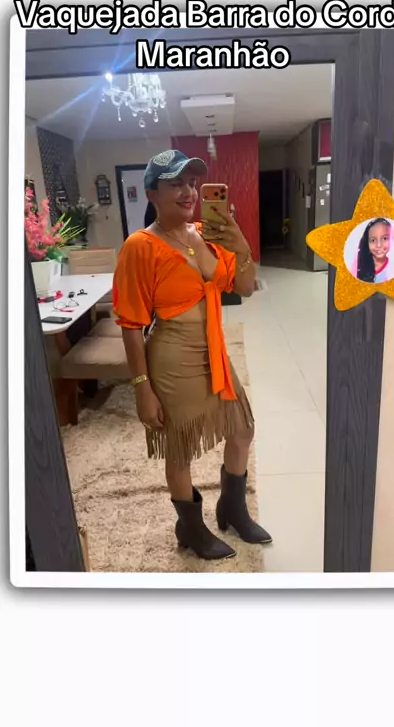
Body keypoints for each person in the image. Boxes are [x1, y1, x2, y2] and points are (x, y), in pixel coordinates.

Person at [113, 149, 271, 561]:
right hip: (172, 357)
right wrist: (141, 388)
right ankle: (191, 527)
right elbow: (130, 324)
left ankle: (232, 508)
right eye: (176, 184)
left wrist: (239, 242)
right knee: (180, 449)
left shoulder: (207, 233)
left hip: (213, 350)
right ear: (152, 193)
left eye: (192, 183)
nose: (189, 192)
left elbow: (246, 287)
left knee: (243, 429)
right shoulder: (140, 246)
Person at [355, 218, 392, 284]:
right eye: (373, 240)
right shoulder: (358, 268)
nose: (378, 245)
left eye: (384, 238)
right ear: (367, 242)